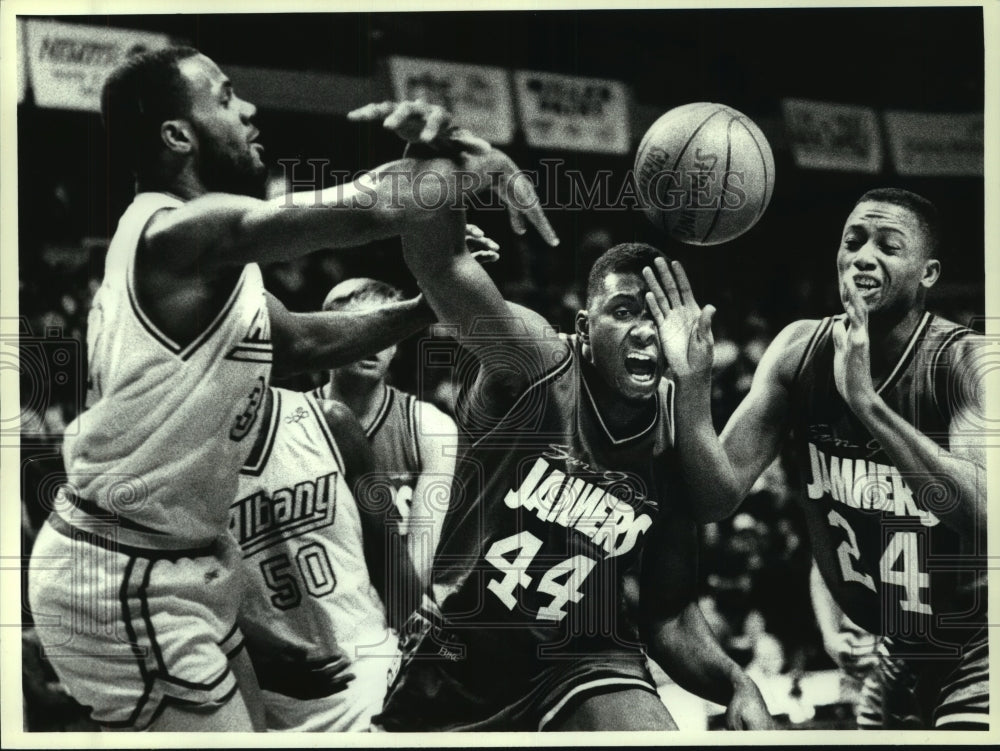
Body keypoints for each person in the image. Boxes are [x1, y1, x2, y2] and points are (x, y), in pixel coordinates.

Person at [26, 47, 548, 732]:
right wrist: (466, 164)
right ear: (178, 136)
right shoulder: (173, 231)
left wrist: (424, 304)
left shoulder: (215, 264)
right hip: (123, 568)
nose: (248, 111)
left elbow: (301, 340)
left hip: (180, 562)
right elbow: (373, 204)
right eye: (225, 96)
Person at [341, 111, 772, 729]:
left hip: (589, 660)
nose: (648, 330)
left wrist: (736, 683)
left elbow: (668, 615)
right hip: (462, 659)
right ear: (584, 330)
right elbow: (440, 265)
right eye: (624, 311)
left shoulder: (679, 434)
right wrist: (436, 174)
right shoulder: (539, 364)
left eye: (661, 315)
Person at [662, 188, 987, 730]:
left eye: (888, 246)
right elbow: (713, 497)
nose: (864, 255)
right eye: (853, 241)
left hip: (980, 647)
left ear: (928, 274)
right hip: (894, 657)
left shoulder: (964, 362)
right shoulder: (797, 351)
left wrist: (866, 402)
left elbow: (986, 513)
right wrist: (693, 388)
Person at [231, 385, 403, 731]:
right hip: (268, 705)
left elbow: (392, 561)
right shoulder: (184, 462)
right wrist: (251, 662)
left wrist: (421, 665)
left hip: (372, 680)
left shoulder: (330, 422)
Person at [315, 277, 461, 593]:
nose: (374, 343)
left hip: (393, 609)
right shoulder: (291, 420)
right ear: (327, 334)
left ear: (396, 345)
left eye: (386, 332)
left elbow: (421, 561)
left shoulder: (431, 427)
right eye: (359, 327)